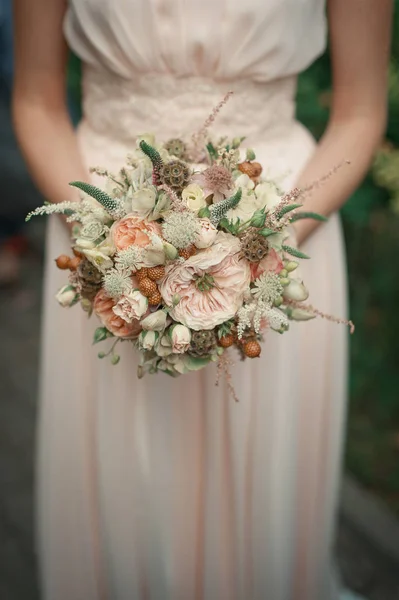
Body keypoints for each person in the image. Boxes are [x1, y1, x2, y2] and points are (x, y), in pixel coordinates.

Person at [12, 1, 392, 599]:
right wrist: (108, 244)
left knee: (261, 476)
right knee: (127, 482)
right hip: (108, 232)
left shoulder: (274, 238)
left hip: (281, 220)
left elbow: (361, 111)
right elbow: (36, 100)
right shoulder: (106, 243)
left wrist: (263, 247)